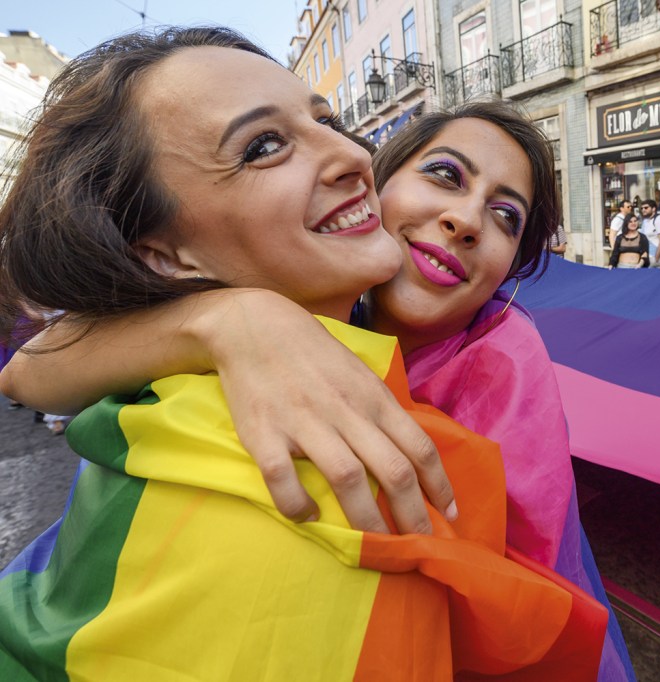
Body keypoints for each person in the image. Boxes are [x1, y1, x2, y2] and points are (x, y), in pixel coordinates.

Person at [0, 27, 614, 679]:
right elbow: (28, 371)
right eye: (264, 145)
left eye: (507, 217)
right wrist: (228, 320)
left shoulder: (499, 364)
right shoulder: (265, 379)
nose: (466, 220)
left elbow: (519, 588)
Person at [639, 198, 660, 264]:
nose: (643, 210)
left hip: (657, 256)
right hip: (647, 255)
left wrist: (656, 258)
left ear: (653, 209)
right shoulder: (645, 221)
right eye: (642, 208)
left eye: (646, 208)